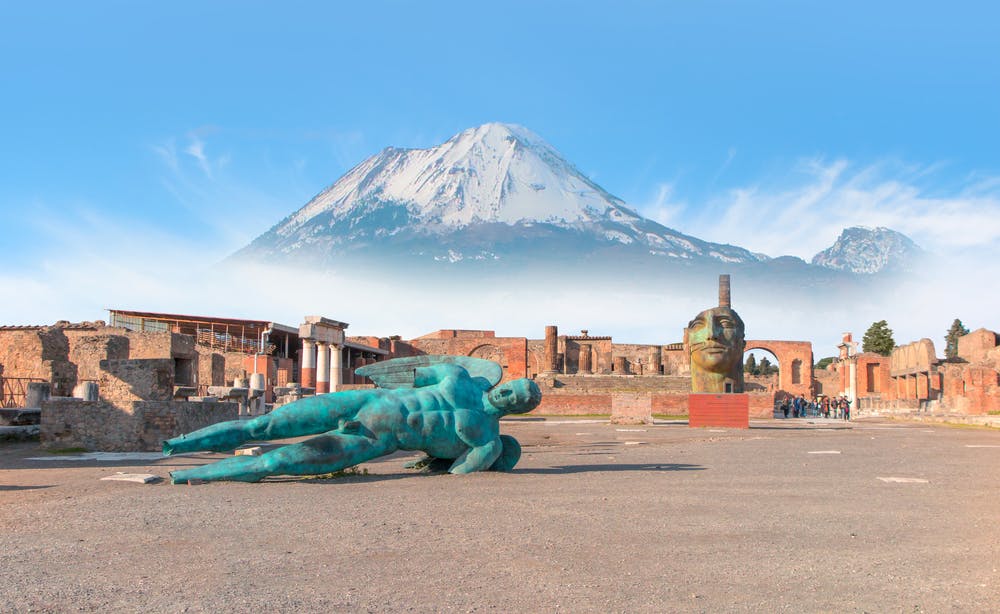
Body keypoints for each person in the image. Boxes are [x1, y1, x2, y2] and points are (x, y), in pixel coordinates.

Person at [164, 361, 541, 483]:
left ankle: (188, 476)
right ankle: (178, 444)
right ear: (506, 383)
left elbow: (459, 472)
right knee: (262, 427)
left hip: (376, 438)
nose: (508, 395)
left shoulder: (486, 440)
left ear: (519, 410)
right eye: (512, 388)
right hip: (367, 400)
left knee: (277, 462)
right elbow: (410, 374)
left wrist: (491, 455)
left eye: (518, 399)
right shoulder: (458, 377)